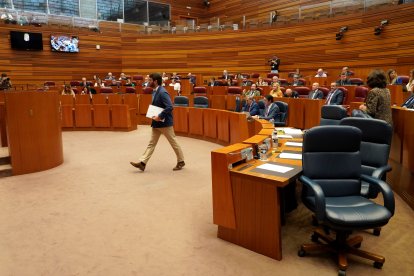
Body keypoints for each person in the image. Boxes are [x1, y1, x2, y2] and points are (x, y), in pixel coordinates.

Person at [130, 73, 185, 172]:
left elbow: (169, 107)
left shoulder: (163, 92)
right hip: (156, 123)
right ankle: (143, 163)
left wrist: (159, 116)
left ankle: (181, 161)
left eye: (150, 80)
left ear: (155, 81)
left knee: (173, 143)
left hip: (165, 123)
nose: (148, 82)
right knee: (151, 144)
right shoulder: (155, 91)